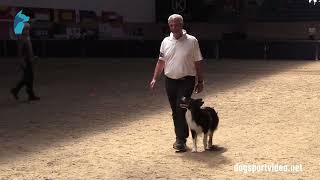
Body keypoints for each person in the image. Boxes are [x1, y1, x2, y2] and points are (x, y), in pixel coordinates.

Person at [149, 14, 204, 152]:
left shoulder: (192, 41)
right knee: (175, 110)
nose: (174, 27)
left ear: (182, 24)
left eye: (177, 24)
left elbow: (198, 62)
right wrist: (155, 77)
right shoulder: (165, 41)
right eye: (171, 25)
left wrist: (200, 80)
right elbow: (161, 61)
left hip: (187, 81)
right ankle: (179, 138)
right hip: (170, 81)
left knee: (181, 108)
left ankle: (181, 140)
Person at [11, 22, 40, 101]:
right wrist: (22, 62)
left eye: (28, 29)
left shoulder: (27, 38)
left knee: (28, 78)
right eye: (26, 29)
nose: (28, 31)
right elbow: (20, 52)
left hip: (29, 60)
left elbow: (29, 51)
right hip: (25, 61)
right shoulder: (22, 39)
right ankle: (29, 94)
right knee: (28, 78)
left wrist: (33, 58)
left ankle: (17, 91)